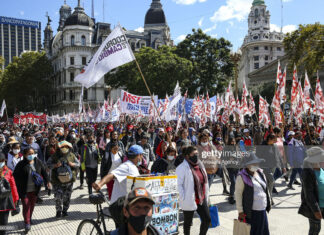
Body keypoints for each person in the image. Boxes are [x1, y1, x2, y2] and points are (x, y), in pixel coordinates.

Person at [13, 147, 50, 233]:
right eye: (29, 154)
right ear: (25, 155)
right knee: (26, 205)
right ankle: (27, 223)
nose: (31, 155)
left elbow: (44, 172)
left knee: (32, 206)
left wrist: (48, 181)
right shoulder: (21, 164)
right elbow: (15, 176)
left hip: (35, 189)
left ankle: (29, 218)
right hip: (24, 190)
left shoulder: (38, 162)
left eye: (32, 153)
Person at [176, 146, 210, 235]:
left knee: (207, 220)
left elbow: (205, 181)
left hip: (201, 198)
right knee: (188, 223)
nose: (196, 156)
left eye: (197, 154)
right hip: (189, 199)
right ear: (187, 156)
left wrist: (207, 196)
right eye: (194, 154)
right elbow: (178, 185)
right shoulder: (181, 168)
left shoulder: (200, 165)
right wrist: (183, 198)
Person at [235, 152, 271, 235]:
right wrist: (240, 211)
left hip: (262, 210)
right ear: (247, 165)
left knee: (263, 231)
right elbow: (238, 194)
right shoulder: (241, 176)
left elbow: (265, 189)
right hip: (252, 212)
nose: (256, 164)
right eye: (253, 163)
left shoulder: (261, 173)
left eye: (256, 163)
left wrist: (268, 202)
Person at [50, 141, 80, 218]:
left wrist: (73, 164)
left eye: (66, 147)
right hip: (57, 181)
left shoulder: (72, 155)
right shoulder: (54, 156)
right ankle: (58, 211)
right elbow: (47, 165)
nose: (64, 148)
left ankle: (65, 210)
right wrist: (55, 165)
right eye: (62, 147)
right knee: (58, 197)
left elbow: (78, 164)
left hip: (69, 181)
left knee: (67, 197)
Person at [299, 147, 324, 235]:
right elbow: (309, 195)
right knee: (315, 230)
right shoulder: (307, 172)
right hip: (316, 207)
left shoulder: (321, 169)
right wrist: (316, 211)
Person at [0, 153, 19, 235]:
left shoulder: (8, 172)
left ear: (4, 161)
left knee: (4, 225)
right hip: (5, 202)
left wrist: (16, 200)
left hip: (5, 203)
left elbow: (13, 186)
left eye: (1, 161)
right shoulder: (8, 171)